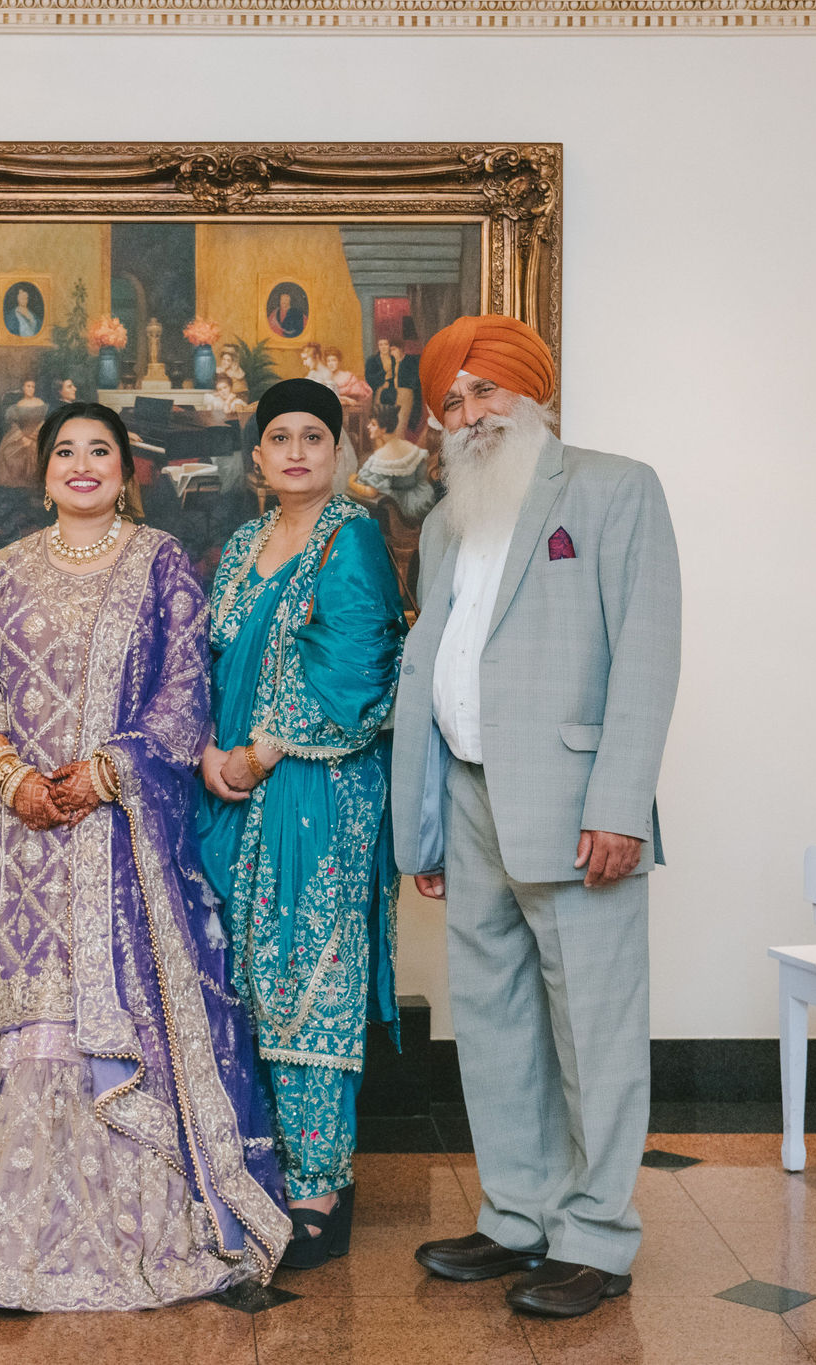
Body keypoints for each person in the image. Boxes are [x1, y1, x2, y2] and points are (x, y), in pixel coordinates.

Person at [0, 402, 290, 1310]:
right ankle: (5, 1231)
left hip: (121, 837)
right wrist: (11, 777)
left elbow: (184, 691)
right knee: (30, 1015)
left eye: (101, 451)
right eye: (66, 453)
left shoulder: (161, 562)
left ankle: (134, 1228)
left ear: (126, 470)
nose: (82, 464)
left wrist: (108, 770)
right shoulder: (5, 569)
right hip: (22, 837)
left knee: (106, 1011)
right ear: (44, 474)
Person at [391, 314, 680, 1319]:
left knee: (593, 1030)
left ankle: (595, 1237)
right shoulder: (444, 523)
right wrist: (426, 821)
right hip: (468, 796)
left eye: (485, 391)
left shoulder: (612, 487)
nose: (470, 414)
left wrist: (620, 806)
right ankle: (517, 1216)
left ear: (530, 394)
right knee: (493, 1022)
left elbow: (646, 651)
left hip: (575, 805)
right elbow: (437, 665)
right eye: (451, 401)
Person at [195, 378, 405, 1270]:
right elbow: (209, 659)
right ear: (257, 456)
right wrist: (209, 750)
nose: (295, 451)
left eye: (312, 436)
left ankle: (320, 1188)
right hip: (235, 785)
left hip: (318, 785)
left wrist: (262, 750)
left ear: (338, 450)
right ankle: (266, 1170)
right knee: (247, 974)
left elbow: (358, 665)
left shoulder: (350, 538)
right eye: (278, 436)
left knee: (309, 973)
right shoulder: (245, 543)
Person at [349, 414, 441, 611]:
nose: (368, 427)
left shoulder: (423, 464)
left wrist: (354, 482)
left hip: (414, 519)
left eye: (373, 424)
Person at [0, 378, 49, 487]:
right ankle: (19, 485)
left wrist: (33, 437)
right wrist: (22, 437)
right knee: (7, 451)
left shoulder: (40, 403)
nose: (31, 389)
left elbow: (43, 422)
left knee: (36, 450)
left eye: (33, 387)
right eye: (28, 386)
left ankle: (36, 485)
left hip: (37, 434)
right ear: (23, 388)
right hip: (21, 434)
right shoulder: (18, 405)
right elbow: (13, 424)